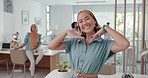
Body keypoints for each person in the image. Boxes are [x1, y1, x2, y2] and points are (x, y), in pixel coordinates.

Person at [48, 10, 130, 78]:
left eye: (87, 19)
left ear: (94, 21)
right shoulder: (73, 42)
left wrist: (105, 28)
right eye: (80, 21)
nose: (84, 23)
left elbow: (125, 44)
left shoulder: (105, 44)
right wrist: (66, 32)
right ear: (79, 26)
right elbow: (51, 46)